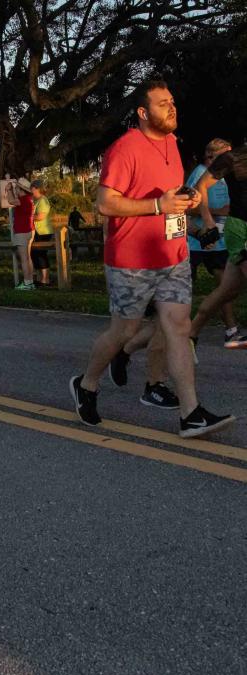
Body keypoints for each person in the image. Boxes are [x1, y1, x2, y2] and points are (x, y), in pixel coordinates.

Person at [69, 79, 232, 438]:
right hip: (131, 260)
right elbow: (105, 203)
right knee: (123, 331)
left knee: (178, 328)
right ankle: (87, 383)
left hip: (172, 255)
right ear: (143, 113)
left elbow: (169, 201)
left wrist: (186, 217)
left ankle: (191, 413)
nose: (171, 108)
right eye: (162, 104)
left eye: (172, 101)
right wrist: (158, 205)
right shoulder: (124, 149)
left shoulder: (173, 145)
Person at [191, 141, 247, 350]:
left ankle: (191, 333)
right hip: (239, 230)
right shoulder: (232, 158)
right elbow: (201, 186)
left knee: (226, 291)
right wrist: (208, 221)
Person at [10, 177, 36, 290]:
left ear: (21, 189)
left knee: (24, 259)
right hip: (29, 230)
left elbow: (10, 200)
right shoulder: (29, 199)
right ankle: (30, 282)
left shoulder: (23, 199)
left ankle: (26, 283)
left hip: (22, 232)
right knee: (28, 257)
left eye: (17, 188)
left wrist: (9, 189)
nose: (15, 190)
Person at [30, 180, 53, 286]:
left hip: (44, 232)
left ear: (36, 188)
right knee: (35, 254)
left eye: (32, 188)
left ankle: (45, 279)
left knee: (40, 254)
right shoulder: (36, 200)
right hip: (37, 232)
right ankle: (40, 278)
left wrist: (28, 217)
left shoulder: (43, 200)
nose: (30, 190)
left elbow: (40, 217)